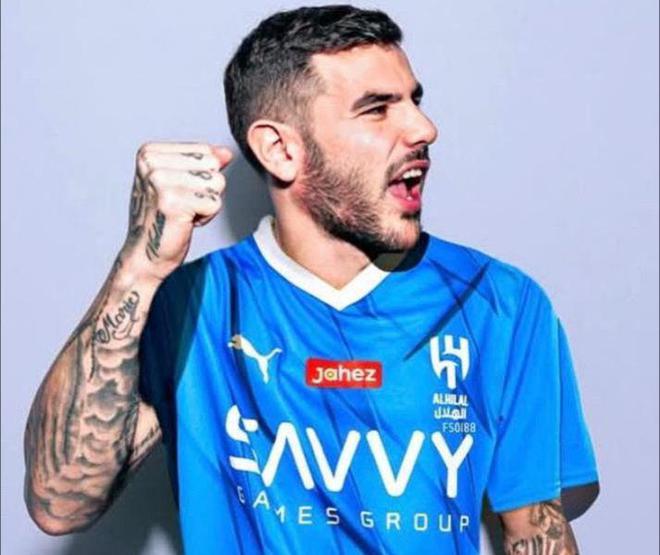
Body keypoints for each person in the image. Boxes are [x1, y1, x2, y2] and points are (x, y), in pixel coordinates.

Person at [23, 5, 599, 554]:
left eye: (414, 101)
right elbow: (59, 502)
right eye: (377, 109)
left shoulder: (499, 304)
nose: (424, 128)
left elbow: (535, 531)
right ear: (280, 150)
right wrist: (141, 264)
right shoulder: (193, 305)